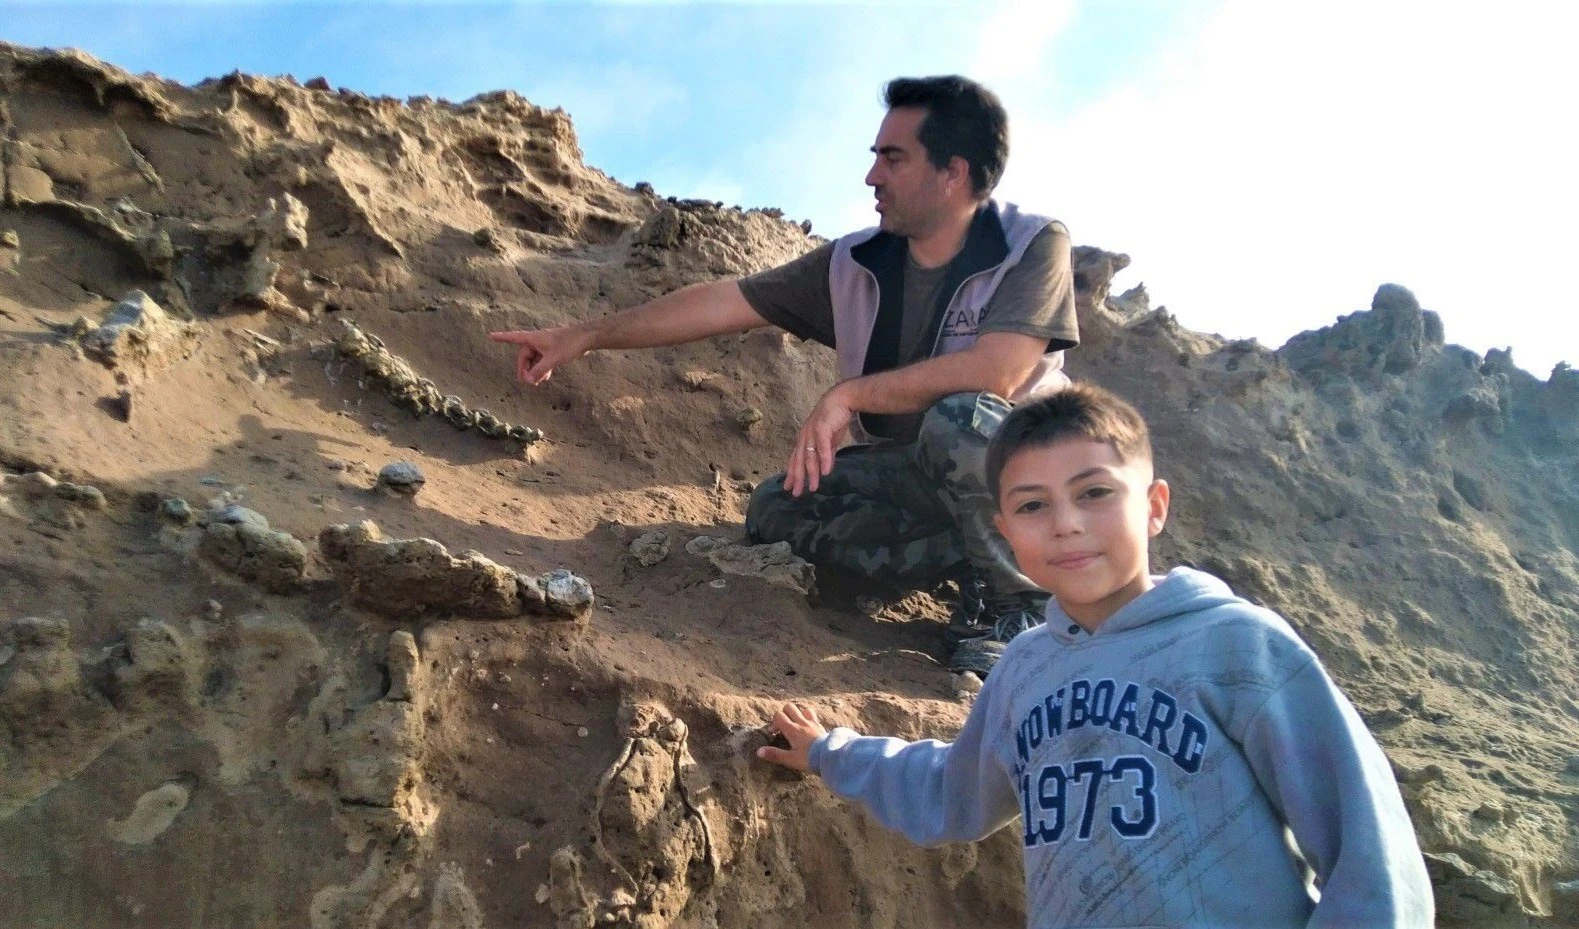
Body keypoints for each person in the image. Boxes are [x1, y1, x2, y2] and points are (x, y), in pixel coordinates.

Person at [755, 384, 1434, 928]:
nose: (1065, 522)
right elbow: (951, 790)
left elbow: (1372, 862)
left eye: (1094, 492)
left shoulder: (1236, 647)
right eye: (1031, 505)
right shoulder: (1023, 669)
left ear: (1154, 505)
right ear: (1001, 533)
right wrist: (826, 751)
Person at [491, 75, 1079, 675]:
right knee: (778, 510)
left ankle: (1026, 606)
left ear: (952, 173)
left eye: (893, 159)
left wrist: (849, 394)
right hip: (913, 477)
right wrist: (585, 335)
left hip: (1025, 476)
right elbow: (724, 303)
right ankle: (967, 559)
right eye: (875, 158)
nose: (872, 176)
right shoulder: (855, 262)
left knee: (961, 418)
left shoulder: (1031, 244)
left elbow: (999, 373)